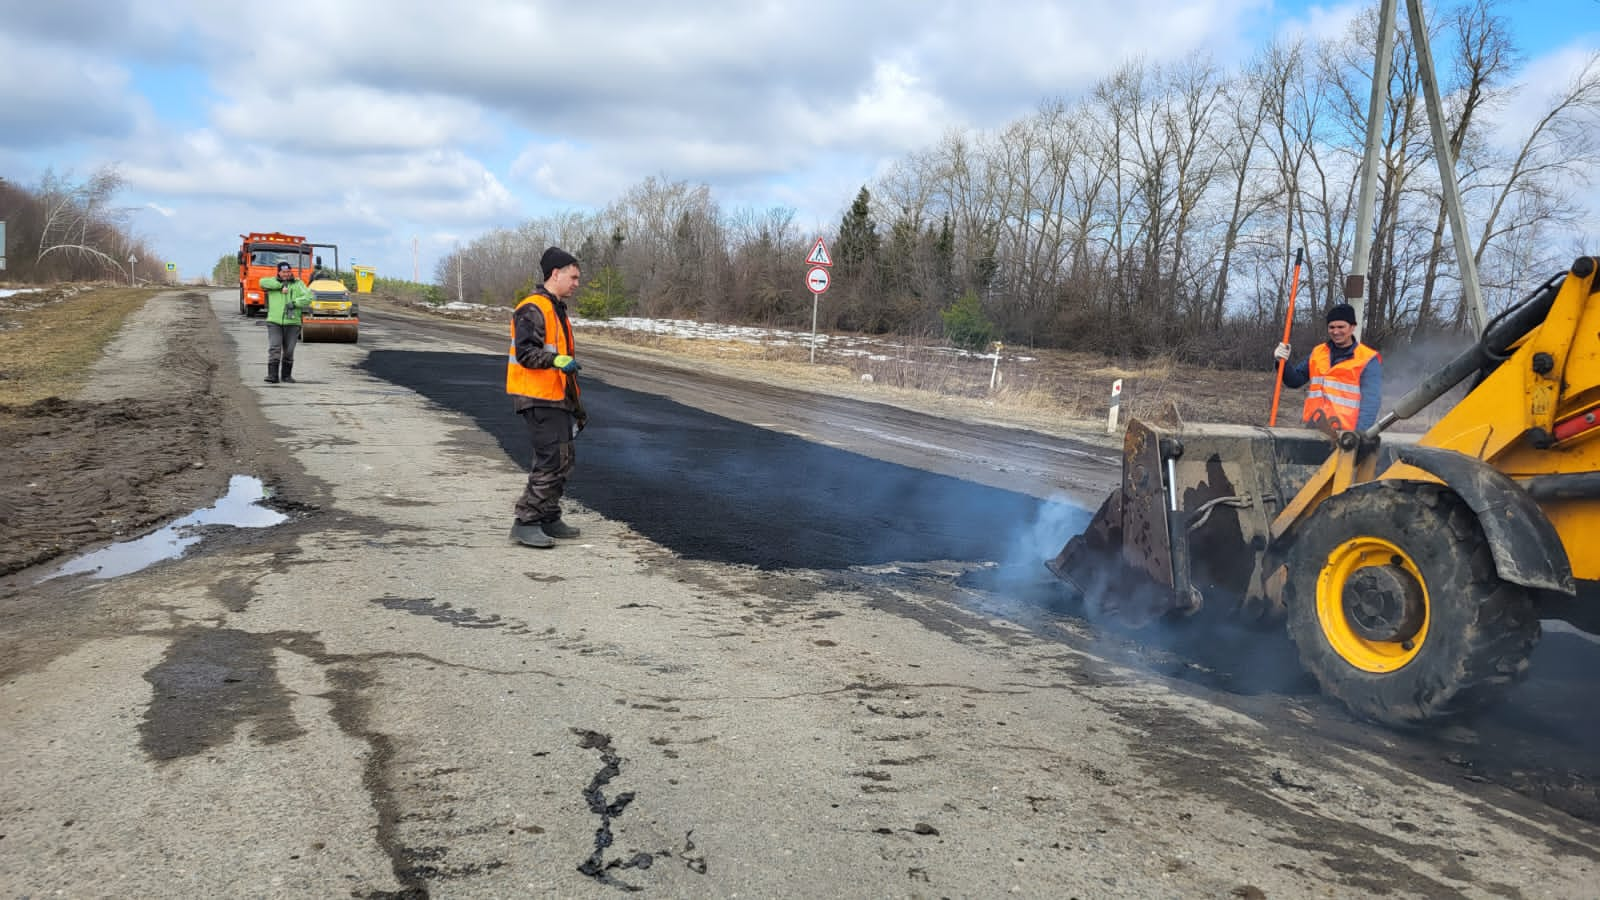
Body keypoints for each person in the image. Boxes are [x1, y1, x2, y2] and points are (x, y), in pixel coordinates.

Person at [507, 246, 587, 548]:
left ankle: (548, 516)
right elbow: (527, 353)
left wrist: (576, 404)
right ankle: (526, 521)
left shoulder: (555, 308)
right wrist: (555, 361)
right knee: (550, 459)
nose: (577, 283)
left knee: (564, 459)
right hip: (537, 396)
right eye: (573, 276)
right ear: (555, 273)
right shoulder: (533, 308)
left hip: (557, 396)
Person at [1274, 303, 1383, 432]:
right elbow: (1294, 381)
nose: (1336, 332)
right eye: (1331, 327)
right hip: (1313, 430)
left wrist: (1359, 436)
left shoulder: (1368, 359)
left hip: (1345, 434)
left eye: (1341, 327)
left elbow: (1371, 403)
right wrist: (1282, 362)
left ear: (1352, 327)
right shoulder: (1318, 352)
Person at [260, 261, 313, 384]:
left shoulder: (298, 283)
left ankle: (286, 376)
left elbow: (309, 297)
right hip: (274, 322)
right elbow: (261, 282)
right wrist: (280, 286)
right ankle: (272, 375)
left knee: (289, 350)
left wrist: (294, 303)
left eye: (288, 272)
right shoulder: (272, 283)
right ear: (278, 272)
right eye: (283, 272)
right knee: (275, 347)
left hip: (292, 322)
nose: (286, 274)